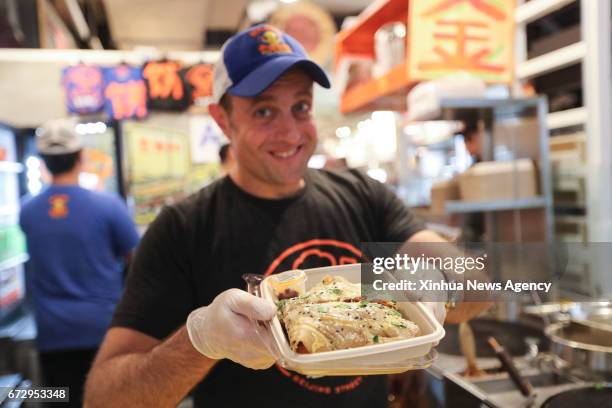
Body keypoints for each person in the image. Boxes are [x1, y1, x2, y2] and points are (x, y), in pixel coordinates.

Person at [85, 25, 490, 408]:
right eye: (264, 112)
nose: (291, 132)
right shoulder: (184, 229)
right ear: (222, 120)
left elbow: (479, 286)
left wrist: (442, 283)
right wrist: (201, 341)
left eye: (301, 107)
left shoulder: (363, 196)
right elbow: (103, 398)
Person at [19, 118, 140, 407]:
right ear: (80, 156)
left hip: (52, 332)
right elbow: (139, 260)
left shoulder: (27, 210)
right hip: (105, 329)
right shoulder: (108, 206)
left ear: (44, 162)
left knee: (61, 399)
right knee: (109, 401)